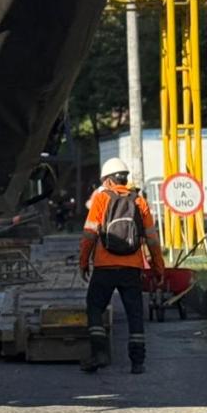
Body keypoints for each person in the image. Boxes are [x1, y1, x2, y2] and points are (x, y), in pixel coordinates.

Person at [79, 157, 165, 375]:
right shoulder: (139, 201)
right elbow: (152, 239)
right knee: (134, 314)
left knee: (95, 307)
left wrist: (83, 262)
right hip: (131, 268)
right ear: (124, 179)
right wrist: (159, 269)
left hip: (105, 267)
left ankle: (99, 353)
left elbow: (89, 234)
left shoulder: (101, 199)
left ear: (107, 180)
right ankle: (138, 363)